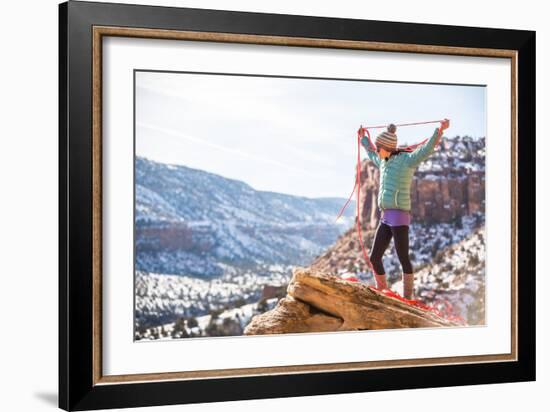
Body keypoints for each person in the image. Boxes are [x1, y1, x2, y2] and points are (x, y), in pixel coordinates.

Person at [359, 119, 450, 300]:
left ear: (387, 147)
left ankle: (408, 298)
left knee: (403, 258)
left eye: (379, 147)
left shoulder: (406, 161)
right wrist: (364, 139)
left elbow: (425, 150)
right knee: (374, 257)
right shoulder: (383, 161)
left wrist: (439, 130)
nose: (377, 150)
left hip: (399, 216)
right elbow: (371, 153)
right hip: (385, 217)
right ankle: (382, 291)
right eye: (377, 147)